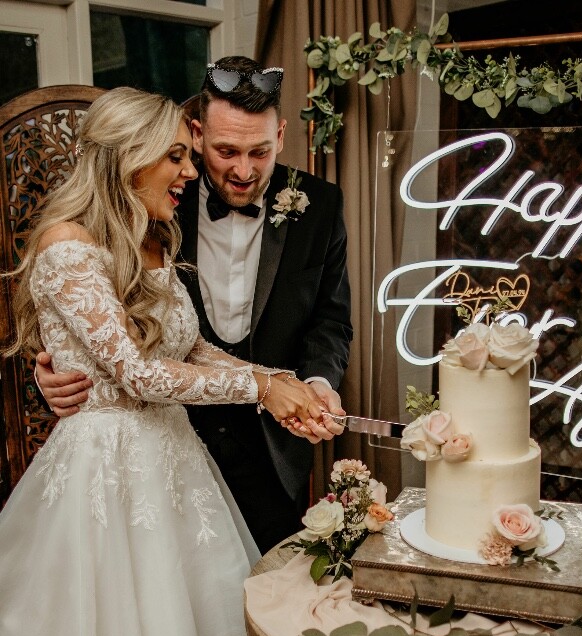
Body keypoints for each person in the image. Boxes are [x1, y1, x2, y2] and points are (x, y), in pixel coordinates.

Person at [0, 86, 369, 636]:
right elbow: (135, 375)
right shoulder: (66, 247)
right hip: (107, 481)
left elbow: (187, 347)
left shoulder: (150, 238)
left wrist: (282, 382)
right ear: (126, 155)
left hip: (176, 472)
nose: (190, 169)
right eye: (175, 154)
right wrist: (258, 386)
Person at [36, 56, 352, 553]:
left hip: (265, 449)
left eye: (259, 151)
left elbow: (328, 320)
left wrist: (300, 385)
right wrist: (56, 369)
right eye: (225, 151)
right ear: (198, 135)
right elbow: (99, 335)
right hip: (147, 451)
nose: (243, 170)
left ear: (281, 136)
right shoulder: (160, 200)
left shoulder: (320, 204)